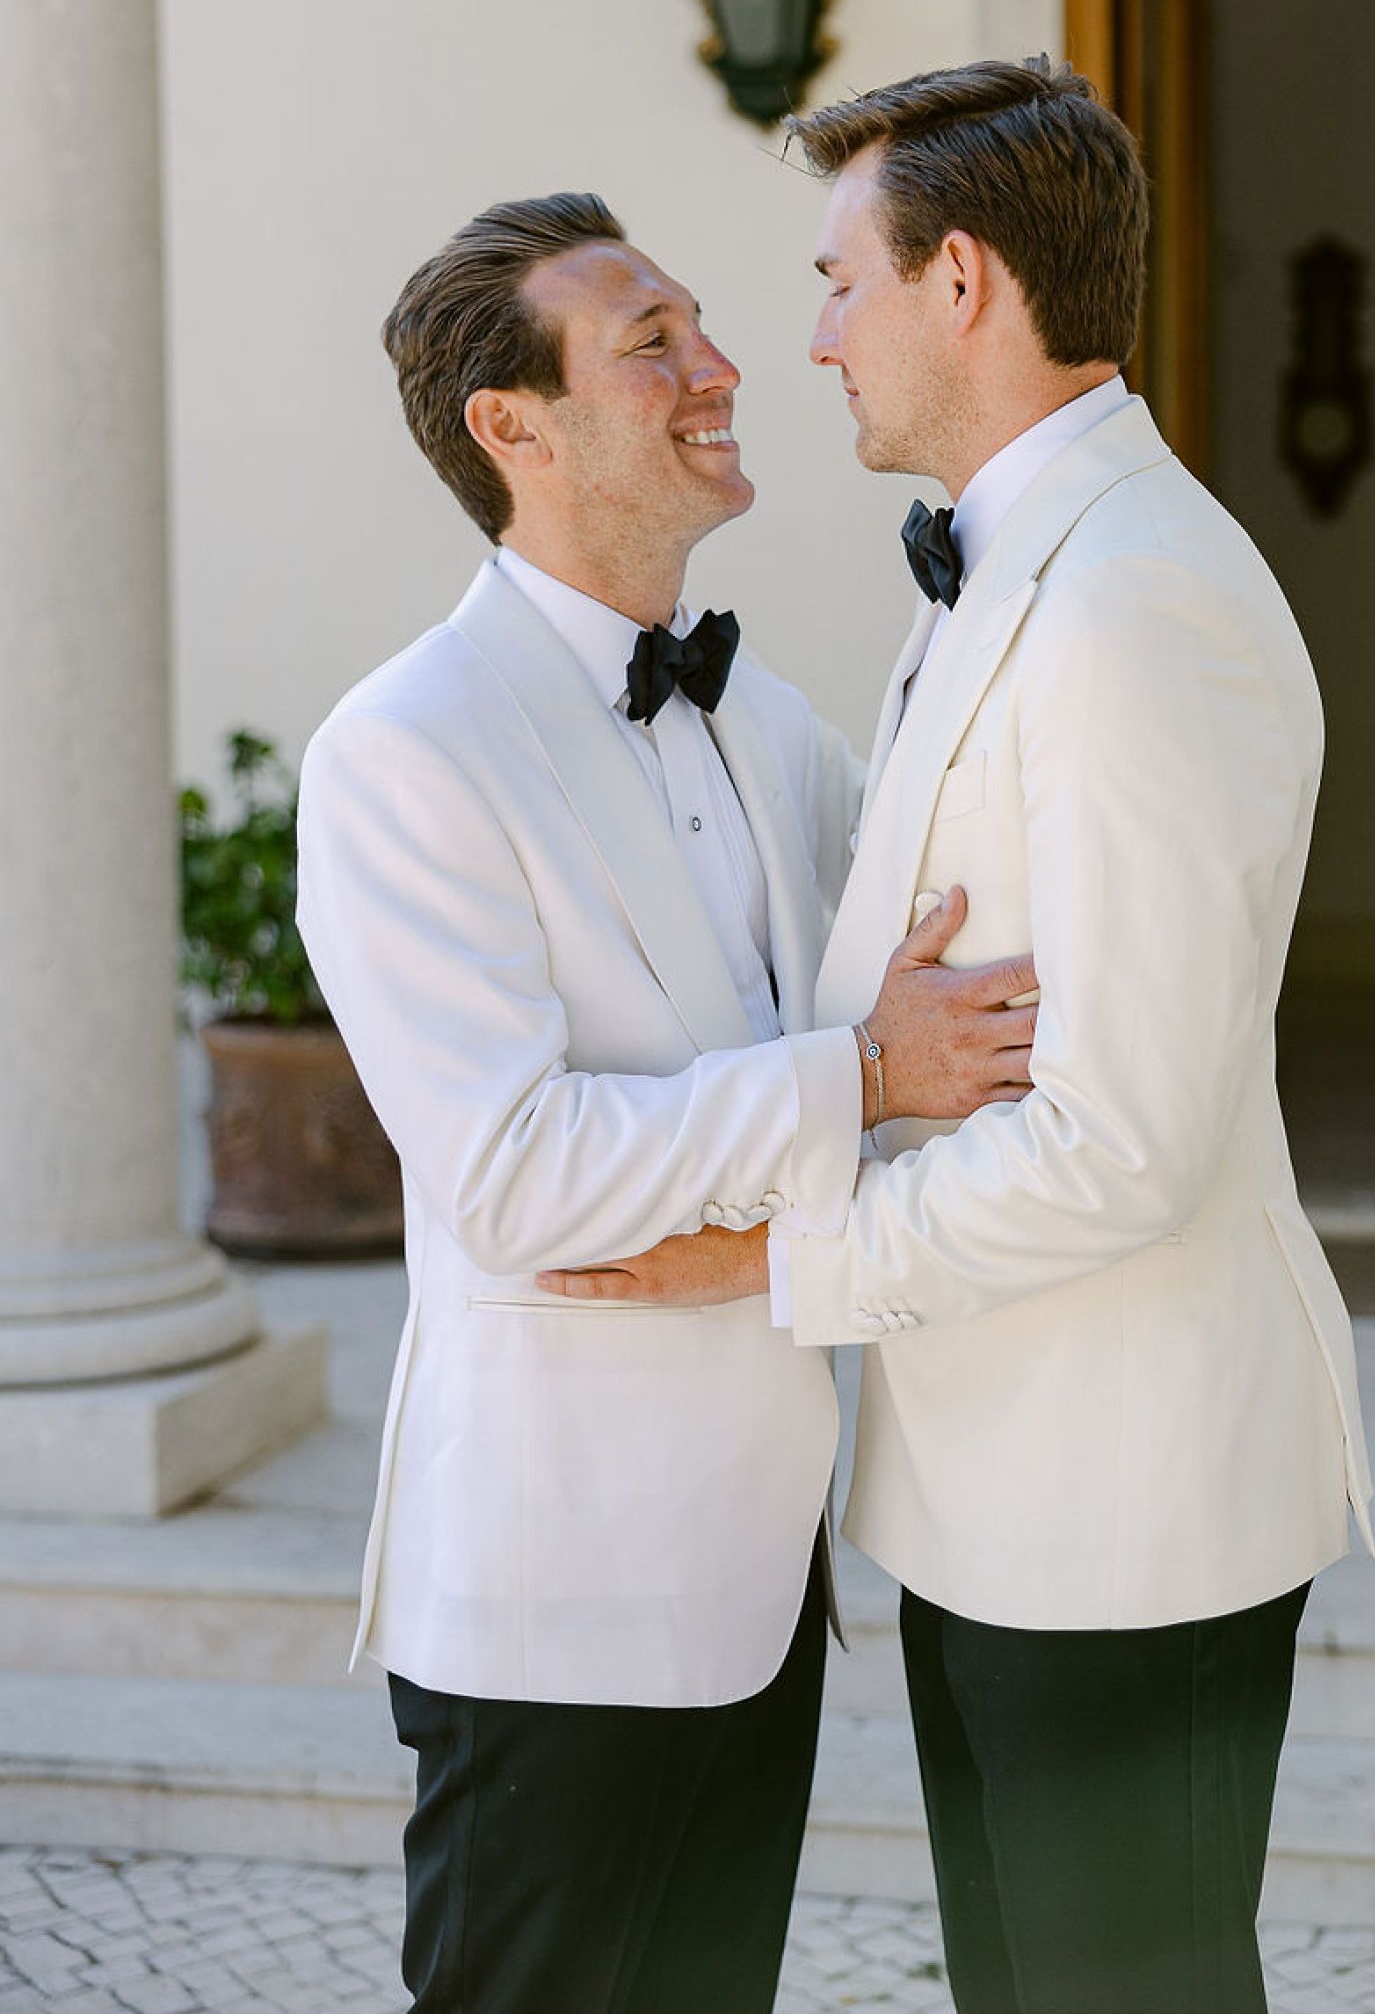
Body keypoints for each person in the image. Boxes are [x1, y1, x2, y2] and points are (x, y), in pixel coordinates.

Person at [539, 70, 1375, 2014]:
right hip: (995, 1487)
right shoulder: (1010, 566)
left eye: (842, 280)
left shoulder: (1136, 606)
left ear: (964, 282)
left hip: (1124, 1506)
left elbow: (1124, 1139)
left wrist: (774, 1263)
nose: (813, 334)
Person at [295, 190, 1035, 2014]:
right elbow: (517, 1177)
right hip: (561, 1597)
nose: (724, 373)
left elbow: (948, 973)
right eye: (655, 347)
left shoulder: (765, 721)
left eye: (704, 327)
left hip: (763, 1584)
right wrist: (854, 1078)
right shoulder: (402, 750)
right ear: (511, 425)